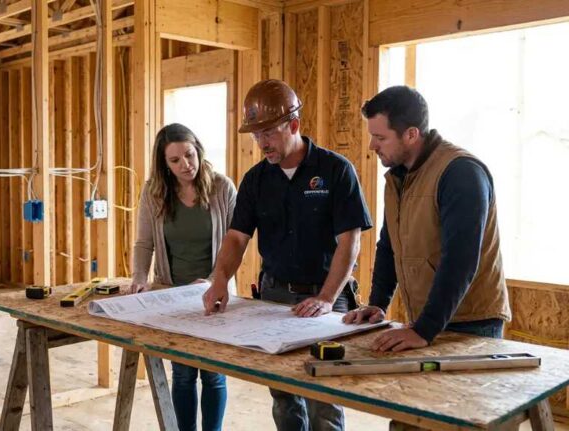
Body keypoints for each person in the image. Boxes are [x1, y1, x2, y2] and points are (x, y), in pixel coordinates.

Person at [202, 79, 372, 431]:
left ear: (293, 126)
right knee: (283, 396)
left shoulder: (335, 170)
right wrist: (219, 280)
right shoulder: (255, 180)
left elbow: (349, 242)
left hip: (326, 296)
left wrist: (326, 297)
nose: (262, 143)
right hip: (274, 295)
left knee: (322, 397)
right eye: (256, 135)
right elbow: (236, 238)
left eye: (269, 133)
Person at [344, 85, 511, 351]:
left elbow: (461, 259)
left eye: (380, 137)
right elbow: (389, 246)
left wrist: (424, 328)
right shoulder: (398, 177)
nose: (371, 145)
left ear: (411, 134)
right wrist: (377, 304)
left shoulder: (460, 173)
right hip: (429, 321)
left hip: (471, 323)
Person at [130, 123, 236, 431]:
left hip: (215, 292)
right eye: (175, 161)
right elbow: (144, 243)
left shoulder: (222, 187)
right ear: (164, 164)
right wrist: (139, 276)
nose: (185, 165)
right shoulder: (154, 192)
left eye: (189, 155)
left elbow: (236, 241)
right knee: (184, 373)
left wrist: (216, 280)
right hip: (173, 294)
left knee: (214, 374)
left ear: (198, 151)